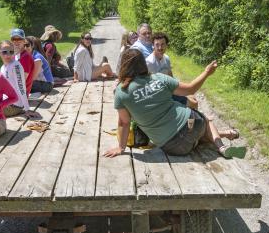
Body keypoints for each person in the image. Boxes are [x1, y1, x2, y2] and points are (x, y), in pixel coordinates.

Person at [103, 49, 245, 159]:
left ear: (124, 66)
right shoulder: (159, 78)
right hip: (193, 123)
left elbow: (124, 122)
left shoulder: (121, 92)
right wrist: (207, 72)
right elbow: (191, 89)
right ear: (142, 63)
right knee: (205, 122)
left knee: (191, 138)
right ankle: (222, 147)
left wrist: (121, 148)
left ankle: (224, 136)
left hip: (173, 147)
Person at [147, 32, 198, 109]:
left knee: (192, 97)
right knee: (194, 103)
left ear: (166, 45)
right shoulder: (149, 62)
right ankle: (195, 119)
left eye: (163, 44)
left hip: (169, 90)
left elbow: (170, 76)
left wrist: (180, 90)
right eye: (157, 44)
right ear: (153, 46)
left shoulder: (166, 58)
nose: (160, 47)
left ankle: (193, 120)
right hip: (160, 95)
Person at [0, 40, 38, 118]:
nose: (8, 55)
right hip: (6, 102)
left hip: (15, 106)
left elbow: (21, 87)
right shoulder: (2, 67)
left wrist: (27, 109)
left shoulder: (15, 66)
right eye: (4, 52)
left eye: (11, 52)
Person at [11, 28, 40, 95]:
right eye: (14, 39)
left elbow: (21, 80)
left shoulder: (25, 57)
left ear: (24, 41)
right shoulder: (16, 55)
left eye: (19, 39)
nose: (16, 41)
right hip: (16, 92)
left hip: (19, 95)